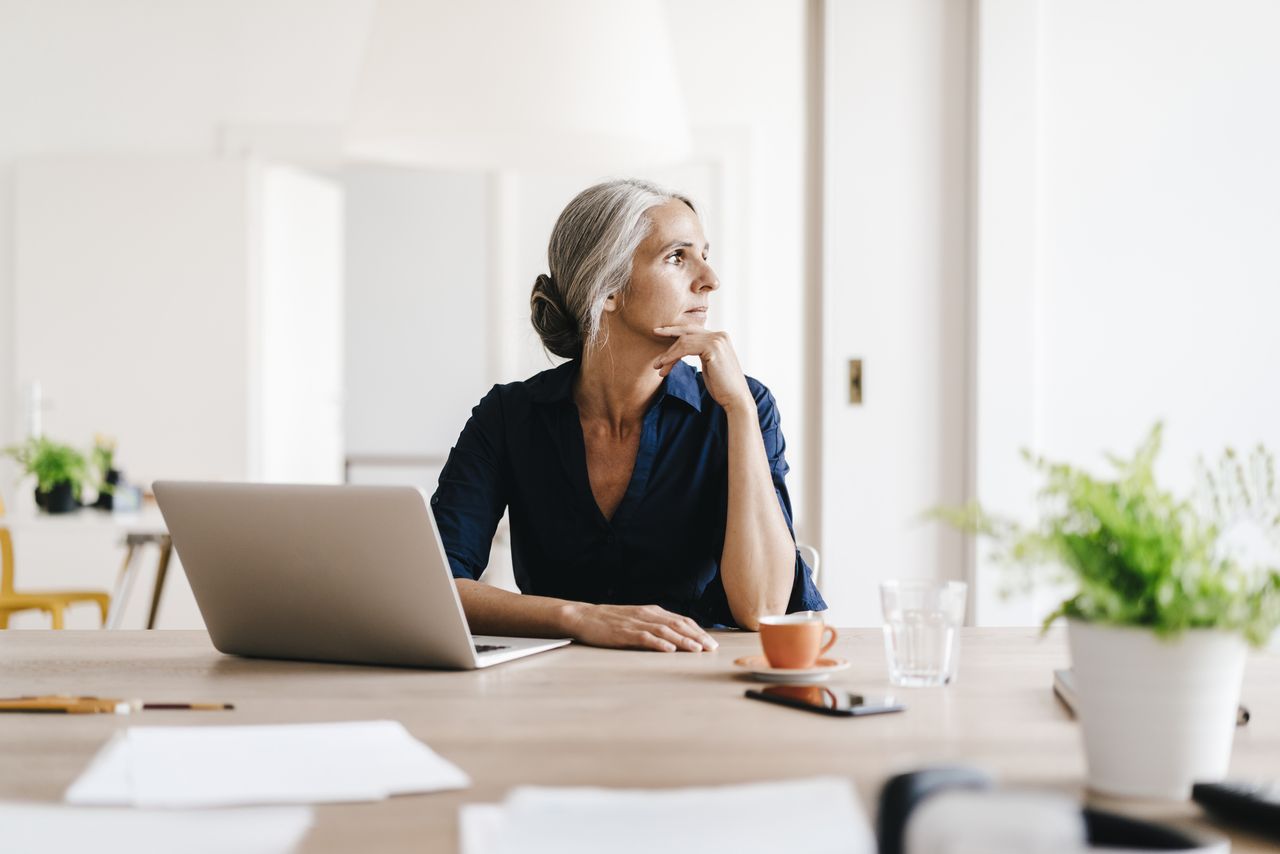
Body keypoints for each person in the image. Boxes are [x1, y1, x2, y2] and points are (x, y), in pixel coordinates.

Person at [431, 178, 824, 652]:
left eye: (705, 253)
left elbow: (761, 609)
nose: (710, 278)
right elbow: (437, 588)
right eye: (678, 257)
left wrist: (738, 409)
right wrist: (580, 617)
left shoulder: (743, 405)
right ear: (609, 289)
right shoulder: (508, 417)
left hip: (706, 684)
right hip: (553, 691)